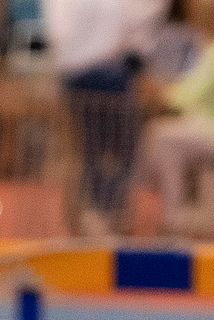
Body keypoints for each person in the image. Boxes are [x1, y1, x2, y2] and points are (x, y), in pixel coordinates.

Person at [43, 0, 166, 235]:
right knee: (119, 152)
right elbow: (134, 29)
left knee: (87, 151)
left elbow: (58, 35)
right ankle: (100, 209)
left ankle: (92, 212)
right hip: (105, 77)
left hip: (75, 76)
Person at [139, 0, 214, 235]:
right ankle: (173, 207)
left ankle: (172, 214)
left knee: (160, 136)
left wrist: (158, 91)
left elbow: (189, 94)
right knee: (164, 137)